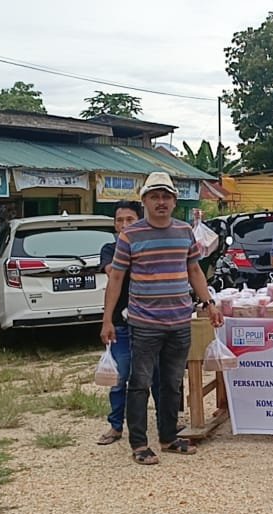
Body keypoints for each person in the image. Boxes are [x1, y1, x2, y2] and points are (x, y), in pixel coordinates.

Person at [101, 172, 223, 466]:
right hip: (144, 323)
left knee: (171, 383)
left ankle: (168, 438)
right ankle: (139, 444)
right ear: (144, 201)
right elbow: (116, 278)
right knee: (139, 383)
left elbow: (194, 271)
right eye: (154, 196)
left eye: (166, 196)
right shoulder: (131, 235)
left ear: (174, 201)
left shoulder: (184, 232)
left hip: (179, 321)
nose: (161, 202)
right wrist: (107, 320)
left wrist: (209, 303)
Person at [97, 200, 150, 445]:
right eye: (120, 220)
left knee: (156, 376)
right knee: (120, 378)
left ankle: (166, 423)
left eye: (130, 219)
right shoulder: (110, 249)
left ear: (140, 221)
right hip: (120, 322)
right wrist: (106, 320)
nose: (124, 224)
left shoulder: (149, 247)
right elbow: (112, 271)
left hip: (149, 322)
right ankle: (116, 426)